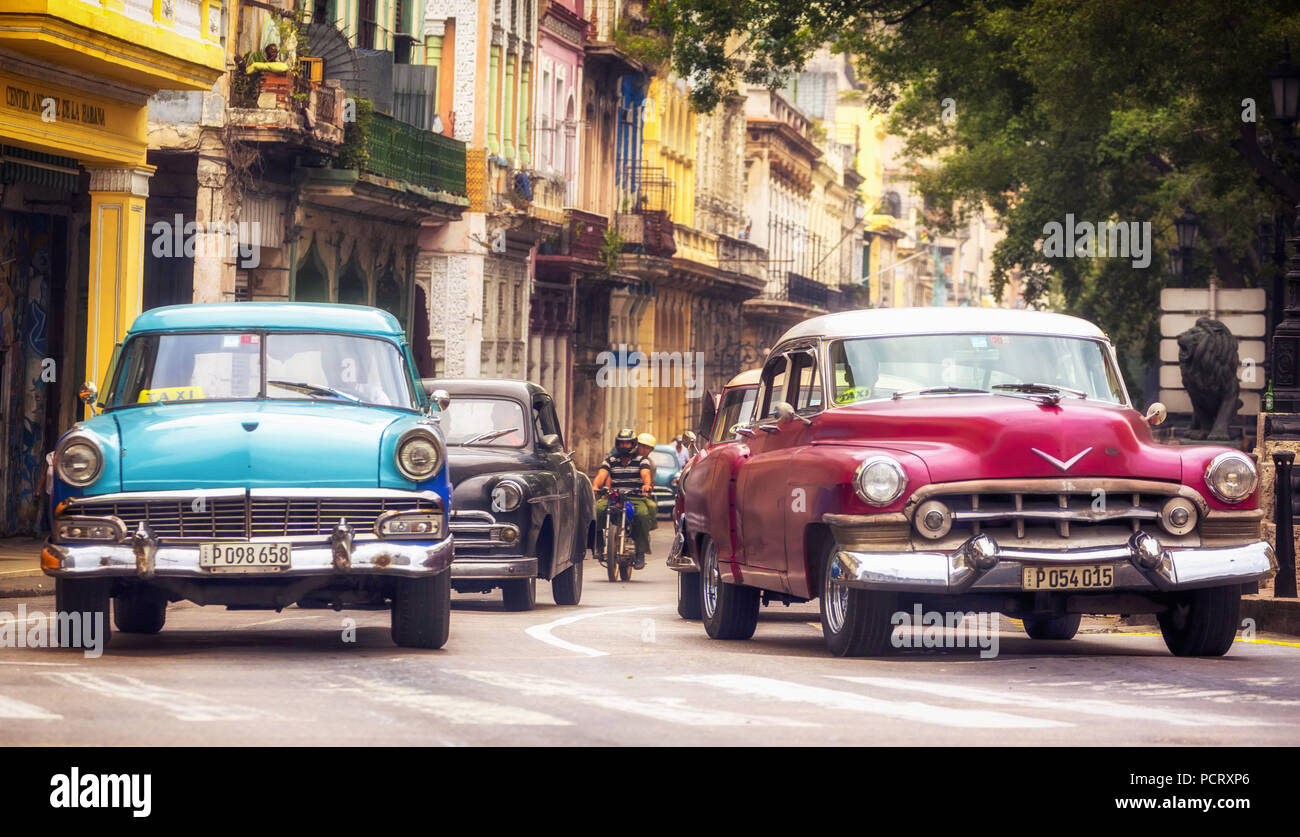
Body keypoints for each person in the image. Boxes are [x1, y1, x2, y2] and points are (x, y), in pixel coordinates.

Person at [592, 428, 656, 569]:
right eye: (621, 443)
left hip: (635, 497)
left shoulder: (642, 460)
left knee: (642, 515)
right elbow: (601, 476)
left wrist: (645, 485)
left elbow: (646, 474)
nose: (623, 446)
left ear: (633, 444)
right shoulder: (610, 460)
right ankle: (598, 544)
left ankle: (640, 552)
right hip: (614, 497)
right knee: (597, 510)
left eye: (627, 444)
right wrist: (595, 486)